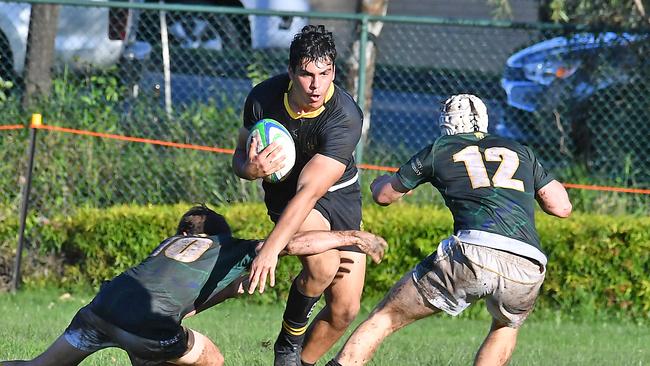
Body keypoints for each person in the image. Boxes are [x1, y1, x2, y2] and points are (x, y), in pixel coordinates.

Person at [326, 94, 573, 366]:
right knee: (505, 326)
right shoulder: (520, 150)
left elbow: (385, 196)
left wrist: (378, 184)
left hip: (473, 251)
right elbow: (561, 207)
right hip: (527, 262)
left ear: (446, 124)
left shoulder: (441, 148)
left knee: (385, 317)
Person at [1, 205, 387, 366]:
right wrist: (353, 237)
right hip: (146, 327)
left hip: (98, 311)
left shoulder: (167, 248)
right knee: (214, 358)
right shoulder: (224, 247)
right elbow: (295, 244)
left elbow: (182, 299)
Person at [231, 25, 365, 366]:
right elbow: (238, 158)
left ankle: (298, 362)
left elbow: (312, 190)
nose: (316, 85)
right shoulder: (264, 97)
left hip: (337, 197)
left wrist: (271, 251)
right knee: (323, 266)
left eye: (324, 73)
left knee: (345, 309)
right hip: (287, 197)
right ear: (291, 71)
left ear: (333, 70)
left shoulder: (344, 116)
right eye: (306, 74)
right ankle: (287, 345)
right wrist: (251, 169)